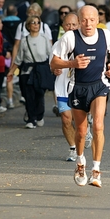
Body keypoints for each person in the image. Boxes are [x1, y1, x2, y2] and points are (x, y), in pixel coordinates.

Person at [50, 5, 110, 188]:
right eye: (84, 20)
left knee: (98, 125)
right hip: (78, 87)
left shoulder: (106, 35)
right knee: (81, 132)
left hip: (99, 85)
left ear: (98, 20)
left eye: (92, 19)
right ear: (79, 21)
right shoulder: (70, 37)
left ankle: (96, 170)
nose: (88, 23)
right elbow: (54, 62)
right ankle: (80, 162)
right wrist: (72, 63)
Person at [7, 15, 52, 128]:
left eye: (38, 22)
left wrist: (54, 69)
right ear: (28, 25)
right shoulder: (24, 40)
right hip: (27, 71)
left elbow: (50, 55)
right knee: (29, 95)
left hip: (41, 70)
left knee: (39, 94)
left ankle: (39, 116)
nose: (36, 25)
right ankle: (31, 119)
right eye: (33, 22)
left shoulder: (44, 39)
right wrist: (11, 71)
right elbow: (19, 58)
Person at [49, 12, 79, 161]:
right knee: (66, 119)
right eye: (68, 25)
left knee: (79, 119)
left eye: (74, 24)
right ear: (63, 26)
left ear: (79, 25)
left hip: (81, 87)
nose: (71, 27)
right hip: (62, 86)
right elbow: (51, 66)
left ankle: (85, 133)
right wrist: (54, 69)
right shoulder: (57, 44)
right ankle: (73, 148)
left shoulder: (84, 43)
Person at [2, 5, 22, 109]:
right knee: (22, 75)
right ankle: (23, 96)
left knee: (9, 76)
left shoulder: (3, 24)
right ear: (16, 13)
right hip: (20, 53)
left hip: (7, 54)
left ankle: (10, 100)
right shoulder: (21, 24)